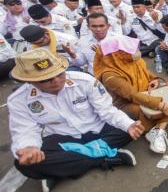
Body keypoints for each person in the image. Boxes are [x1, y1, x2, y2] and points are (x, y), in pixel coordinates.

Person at [8, 48, 145, 190]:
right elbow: (24, 130)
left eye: (60, 73)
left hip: (98, 129)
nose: (56, 81)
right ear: (30, 81)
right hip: (62, 139)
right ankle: (105, 156)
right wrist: (29, 147)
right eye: (46, 79)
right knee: (25, 163)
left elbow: (107, 111)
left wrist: (129, 125)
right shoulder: (18, 100)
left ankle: (59, 171)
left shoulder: (85, 81)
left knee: (129, 123)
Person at [93, 35, 168, 154]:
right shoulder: (109, 75)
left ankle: (161, 123)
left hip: (145, 92)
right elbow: (132, 95)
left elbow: (146, 72)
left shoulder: (129, 60)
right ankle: (158, 130)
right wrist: (161, 105)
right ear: (116, 54)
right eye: (130, 49)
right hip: (126, 104)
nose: (136, 51)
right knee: (149, 109)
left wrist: (154, 80)